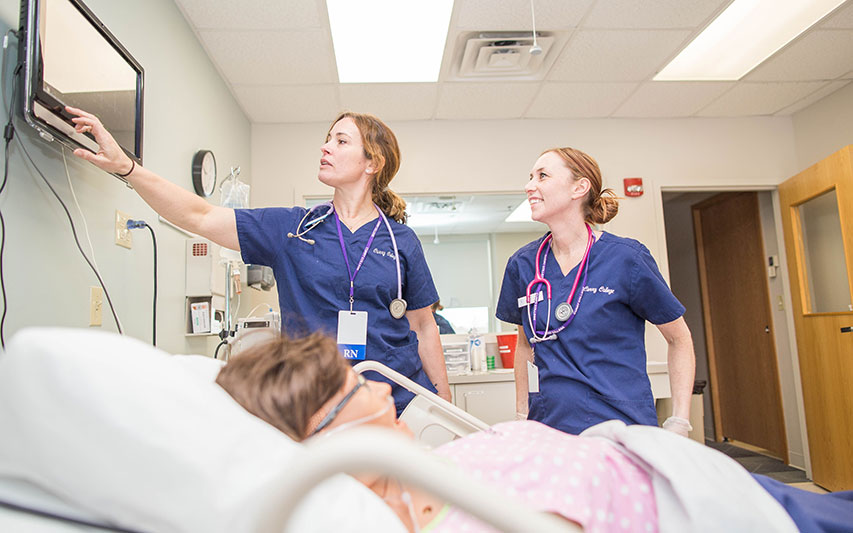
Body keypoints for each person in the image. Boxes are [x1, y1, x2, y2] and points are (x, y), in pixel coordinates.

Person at [216, 333, 853, 533]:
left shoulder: (438, 476)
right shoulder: (448, 517)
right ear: (319, 436)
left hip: (696, 474)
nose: (383, 387)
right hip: (718, 510)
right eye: (358, 388)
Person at [66, 106, 451, 412]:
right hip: (314, 402)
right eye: (326, 139)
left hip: (397, 401)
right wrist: (127, 168)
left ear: (372, 162)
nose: (325, 147)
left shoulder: (401, 241)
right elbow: (199, 215)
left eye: (340, 141)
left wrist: (443, 405)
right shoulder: (292, 230)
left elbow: (424, 326)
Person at [495, 147, 696, 437]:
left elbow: (679, 338)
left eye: (542, 176)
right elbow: (525, 346)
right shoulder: (523, 265)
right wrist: (522, 414)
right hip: (551, 428)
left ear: (579, 187)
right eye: (530, 177)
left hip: (623, 427)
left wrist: (679, 420)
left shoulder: (627, 259)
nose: (529, 186)